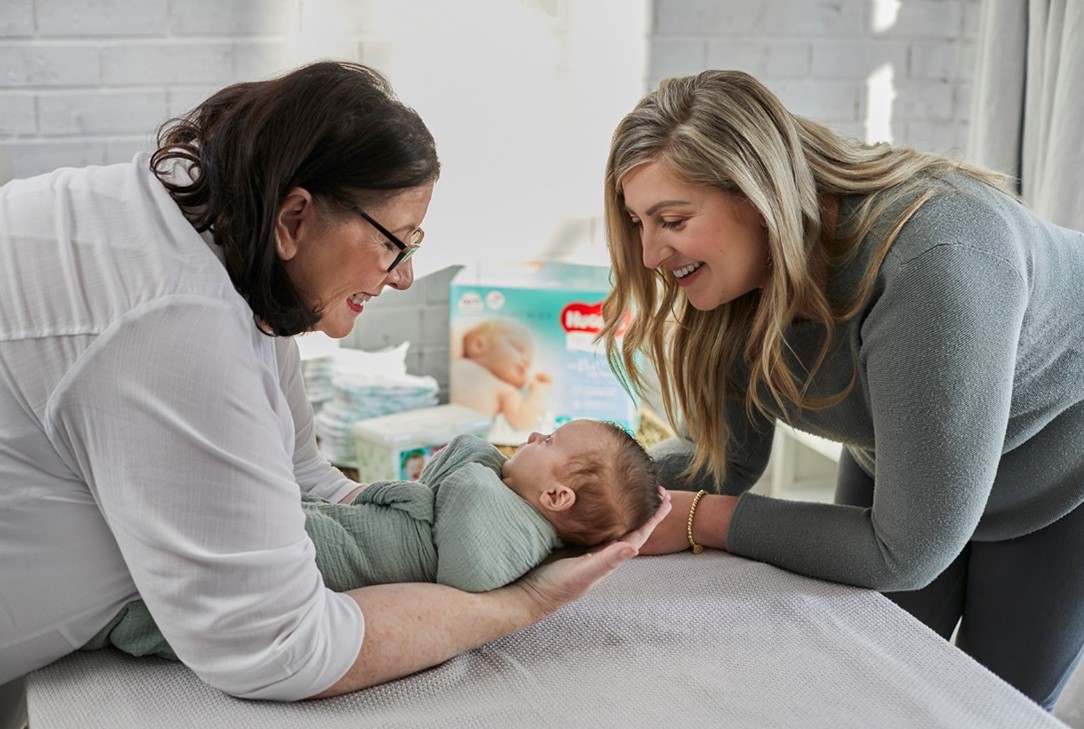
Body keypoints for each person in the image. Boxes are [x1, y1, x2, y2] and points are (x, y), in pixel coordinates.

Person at [0, 59, 671, 716]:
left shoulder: (225, 252)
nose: (404, 277)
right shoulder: (178, 321)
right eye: (396, 245)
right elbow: (279, 646)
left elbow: (298, 471)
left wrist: (405, 517)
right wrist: (526, 604)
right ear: (296, 219)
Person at [599, 69, 1084, 711]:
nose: (649, 256)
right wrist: (594, 485)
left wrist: (700, 520)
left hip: (1063, 458)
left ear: (756, 196)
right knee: (860, 687)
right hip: (900, 458)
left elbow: (902, 553)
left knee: (983, 709)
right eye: (639, 222)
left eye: (671, 220)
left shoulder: (937, 259)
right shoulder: (728, 276)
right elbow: (724, 459)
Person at [86, 419, 662, 660]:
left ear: (557, 498)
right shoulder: (504, 500)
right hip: (339, 533)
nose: (534, 434)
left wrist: (477, 466)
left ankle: (127, 606)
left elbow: (468, 573)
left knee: (217, 572)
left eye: (551, 441)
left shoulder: (511, 524)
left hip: (334, 558)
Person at [451, 318, 553, 429]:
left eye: (529, 362)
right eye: (518, 349)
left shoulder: (506, 390)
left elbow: (523, 420)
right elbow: (454, 334)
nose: (527, 361)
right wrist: (470, 326)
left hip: (467, 437)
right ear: (478, 345)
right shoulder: (458, 359)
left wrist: (539, 390)